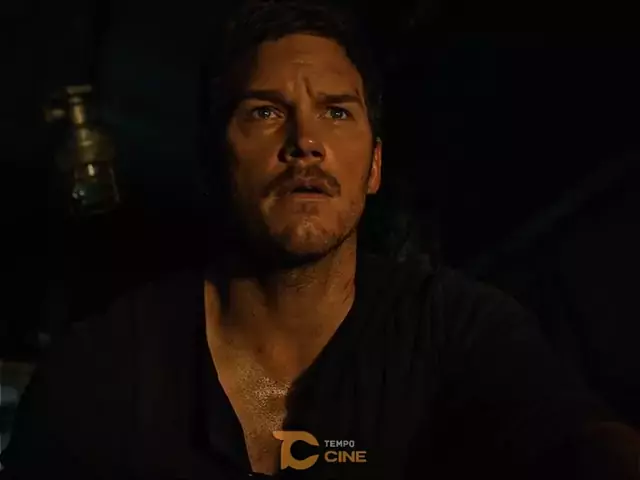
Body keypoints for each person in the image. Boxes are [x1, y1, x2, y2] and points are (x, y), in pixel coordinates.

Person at [2, 1, 640, 478]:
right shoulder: (105, 370)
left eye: (336, 112)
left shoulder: (455, 330)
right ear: (217, 160)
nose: (304, 141)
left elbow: (577, 438)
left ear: (375, 166)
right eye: (264, 112)